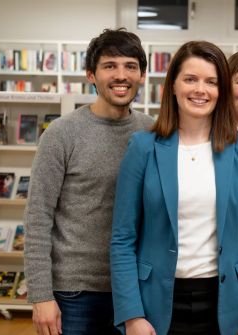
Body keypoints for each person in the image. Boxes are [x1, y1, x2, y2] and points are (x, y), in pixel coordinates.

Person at [110, 40, 238, 335]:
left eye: (211, 82)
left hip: (225, 304)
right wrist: (132, 315)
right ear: (173, 85)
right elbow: (122, 239)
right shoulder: (143, 148)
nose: (200, 90)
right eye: (191, 79)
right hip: (155, 305)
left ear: (221, 91)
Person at [24, 28, 154, 335]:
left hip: (135, 288)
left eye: (130, 66)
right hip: (74, 293)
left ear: (143, 75)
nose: (121, 75)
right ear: (91, 75)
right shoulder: (61, 133)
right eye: (110, 66)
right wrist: (41, 295)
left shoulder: (152, 132)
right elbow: (37, 216)